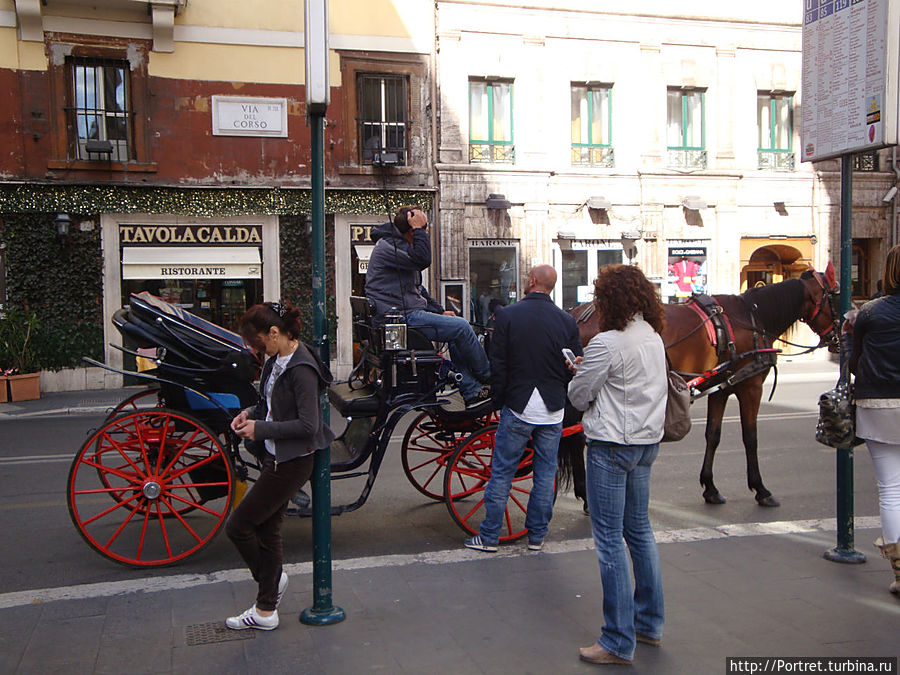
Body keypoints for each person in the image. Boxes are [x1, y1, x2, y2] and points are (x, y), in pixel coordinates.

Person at [567, 264, 666, 665]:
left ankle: (616, 640)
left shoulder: (608, 342)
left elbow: (578, 396)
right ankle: (649, 624)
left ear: (609, 300)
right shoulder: (652, 337)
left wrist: (579, 371)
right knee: (639, 532)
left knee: (608, 541)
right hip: (646, 442)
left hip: (611, 445)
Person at [225, 302, 335, 631]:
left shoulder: (301, 368)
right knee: (268, 530)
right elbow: (268, 405)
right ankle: (265, 609)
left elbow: (307, 426)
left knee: (238, 526)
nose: (256, 350)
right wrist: (250, 414)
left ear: (275, 333)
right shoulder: (277, 359)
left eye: (258, 343)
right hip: (277, 454)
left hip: (291, 460)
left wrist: (260, 429)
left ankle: (269, 591)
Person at [464, 264, 583, 552]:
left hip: (518, 404)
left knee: (502, 472)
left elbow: (499, 364)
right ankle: (537, 536)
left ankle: (489, 536)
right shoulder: (566, 320)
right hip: (553, 407)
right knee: (545, 474)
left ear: (531, 281)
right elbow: (575, 364)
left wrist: (499, 399)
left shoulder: (508, 315)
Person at [365, 205, 491, 406]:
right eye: (424, 228)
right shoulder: (390, 247)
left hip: (407, 313)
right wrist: (418, 229)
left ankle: (471, 390)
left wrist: (440, 311)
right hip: (401, 317)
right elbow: (423, 259)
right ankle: (489, 376)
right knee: (462, 327)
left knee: (455, 329)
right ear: (411, 229)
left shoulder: (400, 248)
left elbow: (419, 290)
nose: (426, 232)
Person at [849, 244, 900, 597]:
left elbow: (853, 364)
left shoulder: (869, 313)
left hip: (877, 405)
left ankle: (899, 570)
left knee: (891, 490)